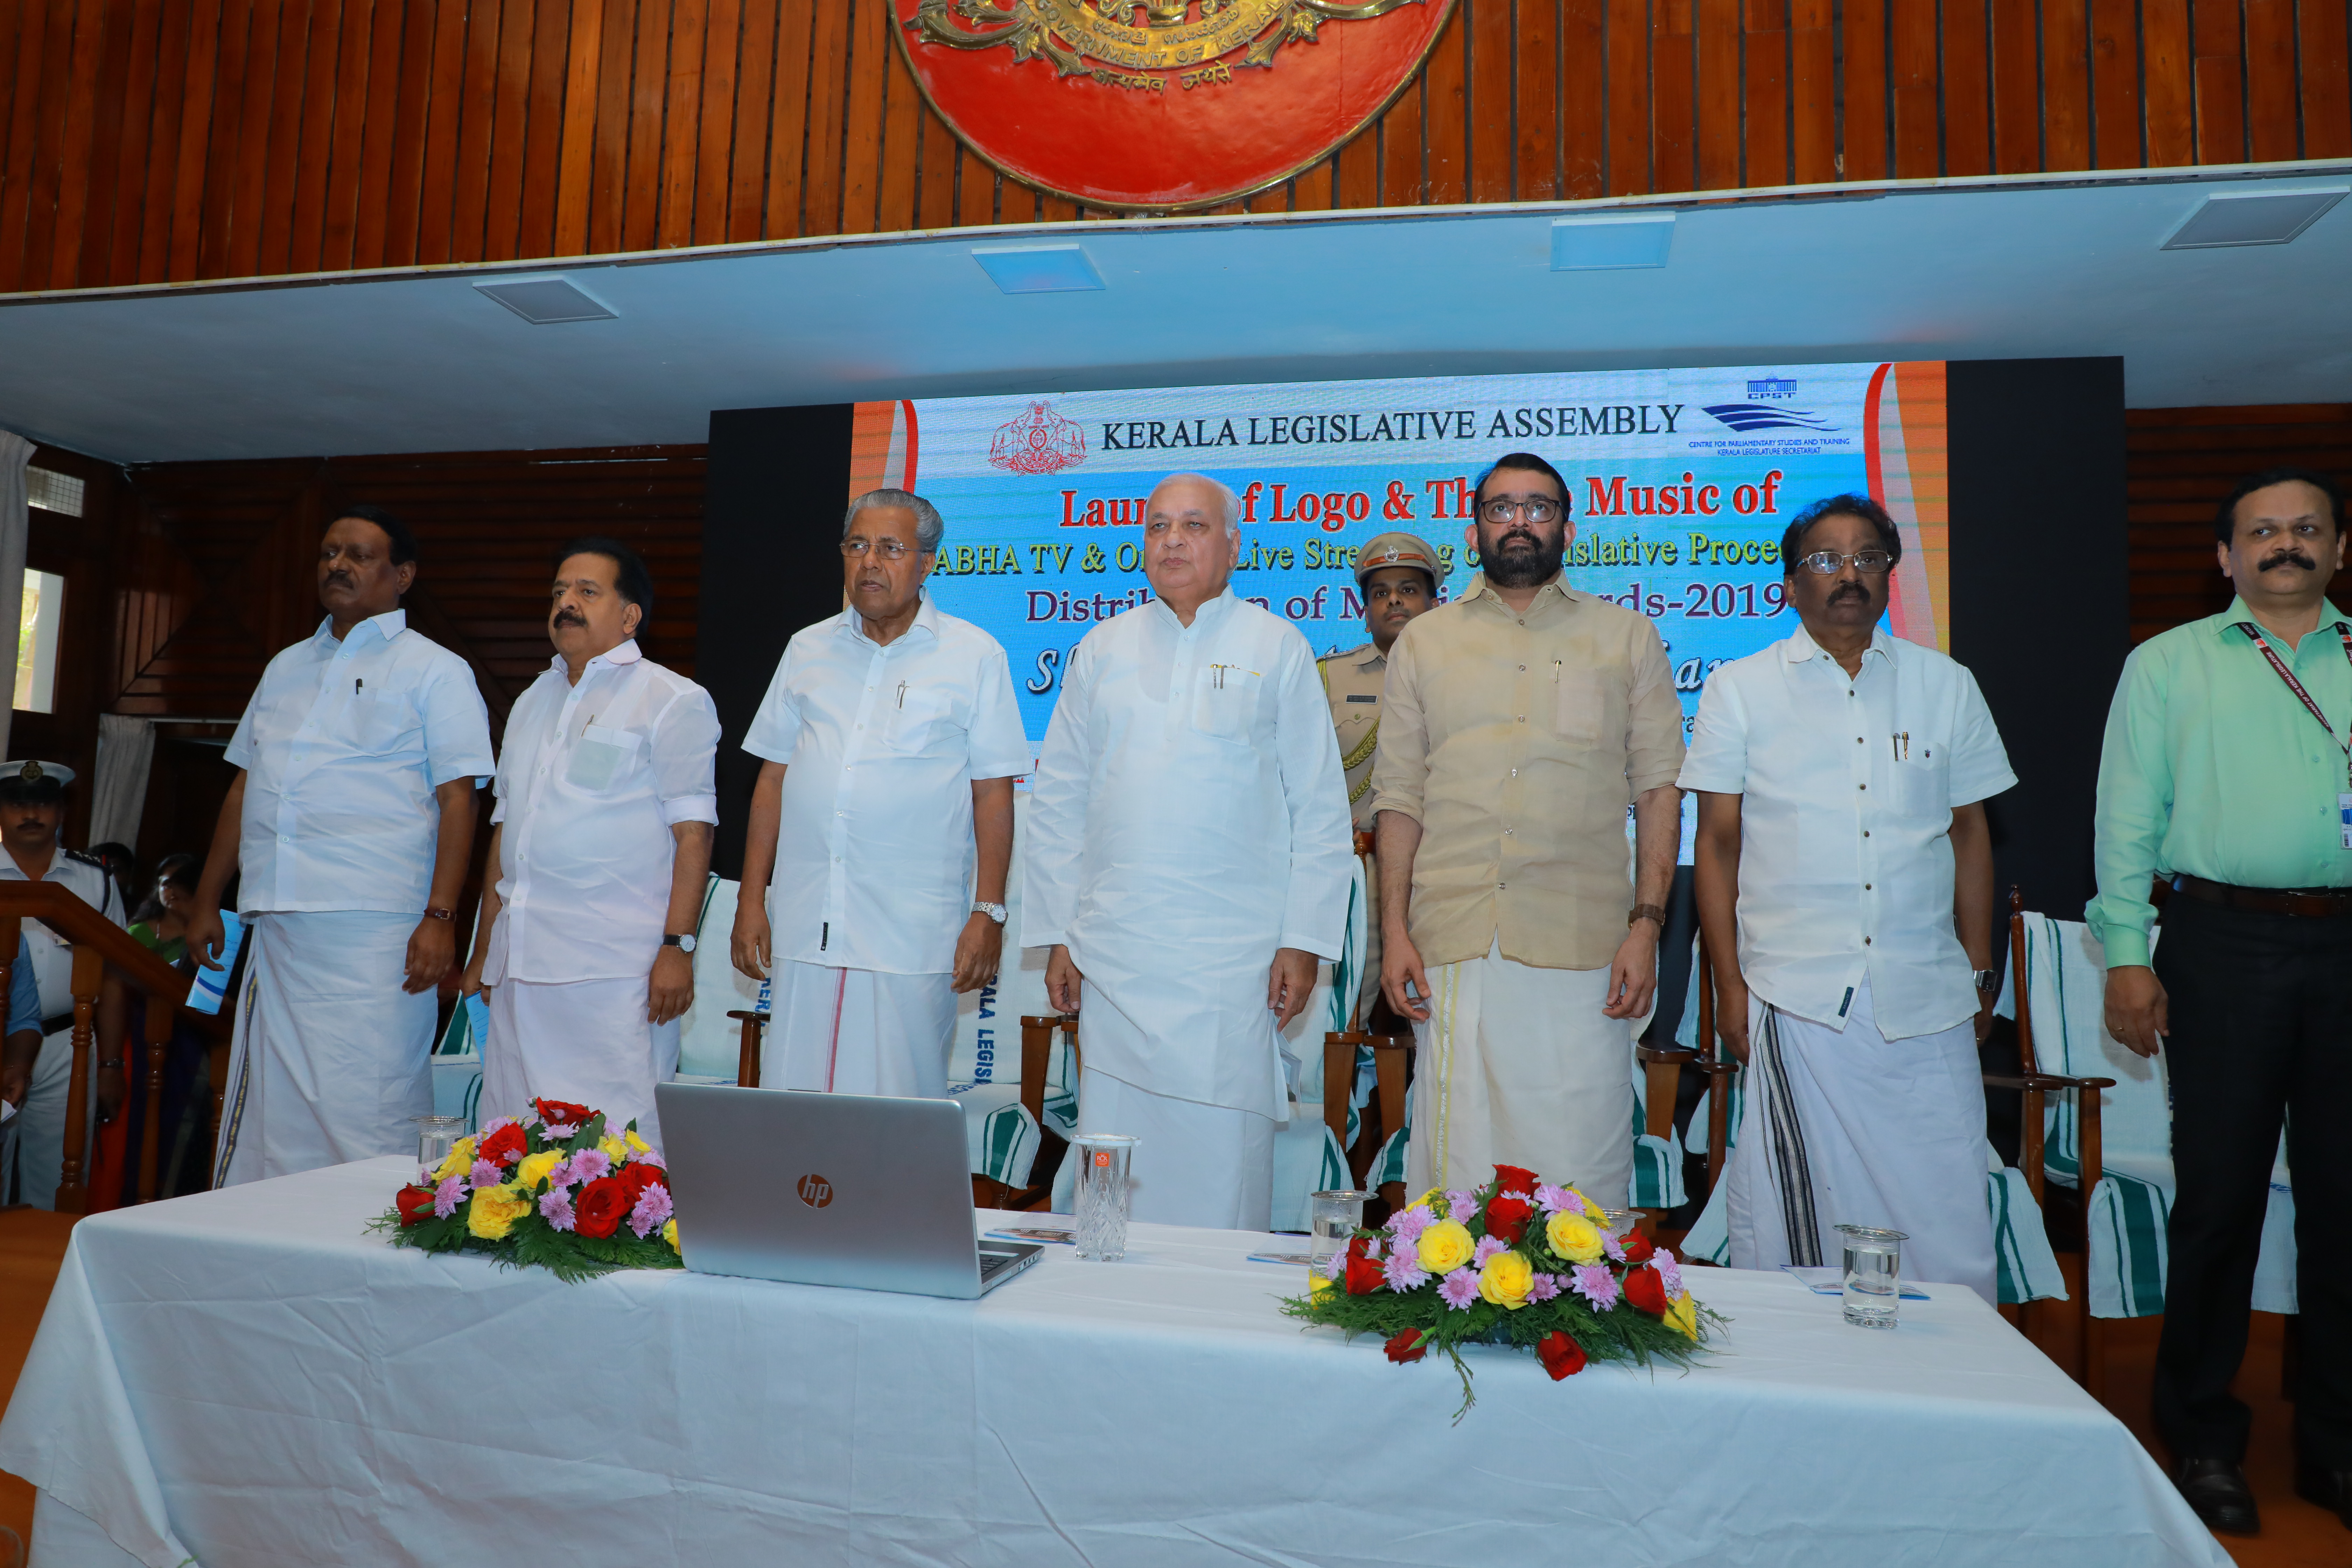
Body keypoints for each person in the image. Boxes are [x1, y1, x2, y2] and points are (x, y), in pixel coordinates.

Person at [2093, 467, 2352, 1537]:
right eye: (2262, 530)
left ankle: (2335, 1444)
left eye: (2306, 528)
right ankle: (2202, 1434)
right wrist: (2125, 952)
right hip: (2220, 942)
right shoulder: (2167, 663)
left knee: (2344, 1201)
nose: (2285, 543)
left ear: (2338, 548)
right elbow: (2125, 815)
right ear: (2224, 556)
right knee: (2218, 1198)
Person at [1680, 493, 2013, 1306]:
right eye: (1826, 560)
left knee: (1949, 1207)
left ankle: (1947, 1366)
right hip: (1797, 1000)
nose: (1849, 574)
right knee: (1799, 1227)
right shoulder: (1740, 689)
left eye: (1867, 557)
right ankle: (1813, 1369)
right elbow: (1716, 845)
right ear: (1790, 584)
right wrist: (1730, 987)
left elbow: (1971, 833)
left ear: (1891, 573)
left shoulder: (1946, 685)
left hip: (1927, 992)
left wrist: (1979, 968)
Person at [1024, 472, 1353, 1228]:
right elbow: (1060, 801)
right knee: (1117, 1160)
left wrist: (1303, 941)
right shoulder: (1102, 648)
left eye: (1194, 526)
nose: (1172, 540)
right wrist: (1060, 934)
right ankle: (1110, 1294)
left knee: (1221, 1165)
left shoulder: (1277, 645)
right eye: (1158, 526)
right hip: (1115, 952)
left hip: (1233, 962)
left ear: (1233, 546)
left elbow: (1319, 810)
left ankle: (1217, 1300)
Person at [1370, 453, 1684, 1204]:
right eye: (1501, 507)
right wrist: (1394, 931)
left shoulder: (1626, 637)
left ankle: (1580, 1285)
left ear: (1567, 528)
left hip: (1584, 947)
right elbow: (1399, 798)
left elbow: (1659, 789)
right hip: (1454, 939)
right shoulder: (1425, 642)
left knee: (1579, 1160)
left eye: (1538, 508)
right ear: (1474, 528)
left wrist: (1646, 927)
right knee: (1458, 1170)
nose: (1519, 522)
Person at [188, 505, 494, 1185]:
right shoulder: (286, 666)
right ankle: (271, 1233)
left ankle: (373, 1232)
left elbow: (460, 799)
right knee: (273, 1112)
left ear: (402, 576)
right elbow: (245, 787)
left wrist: (441, 916)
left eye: (359, 554)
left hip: (377, 928)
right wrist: (209, 898)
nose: (338, 565)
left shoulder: (434, 669)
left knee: (370, 1101)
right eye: (329, 553)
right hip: (278, 923)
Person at [732, 490, 1028, 1098]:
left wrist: (988, 912)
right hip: (808, 925)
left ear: (927, 564)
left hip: (911, 933)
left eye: (891, 548)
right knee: (794, 1102)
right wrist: (751, 899)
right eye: (858, 546)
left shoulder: (975, 656)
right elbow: (773, 780)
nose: (870, 562)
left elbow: (994, 795)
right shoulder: (806, 649)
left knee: (898, 1110)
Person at [461, 539, 719, 1148]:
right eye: (559, 592)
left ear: (630, 616)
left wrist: (678, 947)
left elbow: (695, 834)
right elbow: (507, 835)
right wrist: (484, 952)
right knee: (516, 1141)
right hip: (520, 964)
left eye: (586, 592)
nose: (566, 603)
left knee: (615, 1146)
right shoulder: (531, 701)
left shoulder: (672, 700)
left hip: (613, 971)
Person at [1321, 532, 1443, 1031]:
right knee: (1340, 1022)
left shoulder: (1462, 679)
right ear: (1365, 610)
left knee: (1437, 1014)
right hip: (1357, 871)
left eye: (1409, 590)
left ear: (1435, 604)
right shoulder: (1328, 679)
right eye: (1380, 593)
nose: (1394, 600)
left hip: (1440, 870)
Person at [0, 760, 128, 1209]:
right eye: (17, 804)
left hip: (68, 1043)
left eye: (42, 804)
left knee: (58, 1182)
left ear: (62, 812)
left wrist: (110, 1064)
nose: (30, 814)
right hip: (2, 1037)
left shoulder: (95, 880)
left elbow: (115, 976)